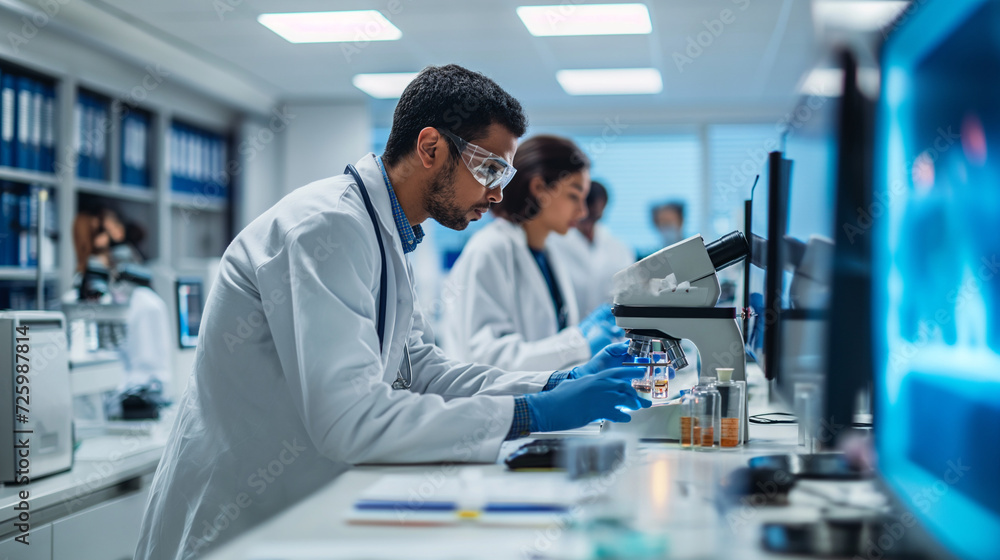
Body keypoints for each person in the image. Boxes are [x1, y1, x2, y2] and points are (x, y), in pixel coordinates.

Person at [133, 65, 649, 560]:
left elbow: (420, 370)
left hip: (298, 516)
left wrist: (551, 385)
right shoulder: (326, 229)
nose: (497, 193)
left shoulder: (386, 235)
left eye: (505, 172)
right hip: (237, 528)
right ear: (430, 148)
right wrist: (531, 415)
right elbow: (351, 420)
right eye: (490, 168)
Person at [439, 135, 624, 371]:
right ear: (539, 188)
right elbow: (486, 359)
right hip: (498, 405)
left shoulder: (548, 253)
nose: (581, 212)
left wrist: (580, 339)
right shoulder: (490, 249)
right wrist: (579, 344)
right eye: (573, 196)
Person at [547, 180, 636, 318]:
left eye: (595, 218)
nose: (588, 224)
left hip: (612, 331)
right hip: (567, 331)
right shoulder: (553, 243)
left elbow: (630, 292)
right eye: (586, 218)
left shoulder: (619, 248)